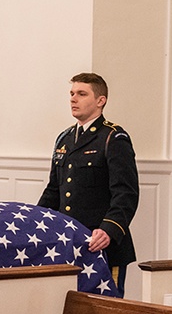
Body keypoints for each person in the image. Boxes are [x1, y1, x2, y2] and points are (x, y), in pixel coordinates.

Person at [38, 73, 139, 294]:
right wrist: (36, 220)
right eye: (72, 94)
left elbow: (126, 192)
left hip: (101, 245)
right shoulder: (64, 138)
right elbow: (54, 190)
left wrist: (109, 230)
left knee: (105, 311)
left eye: (82, 94)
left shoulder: (113, 137)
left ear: (100, 101)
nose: (73, 99)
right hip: (68, 243)